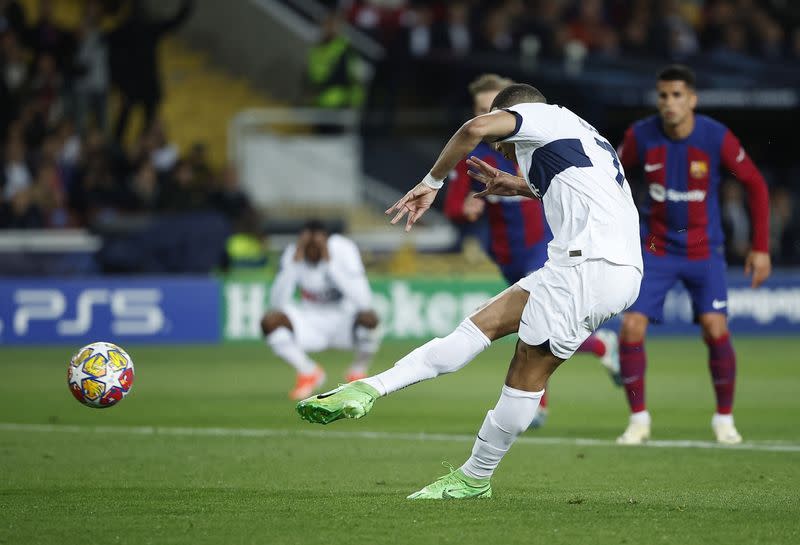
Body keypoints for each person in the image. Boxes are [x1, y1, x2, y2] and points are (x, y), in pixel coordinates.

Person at [296, 83, 643, 499]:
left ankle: (475, 477)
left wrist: (433, 181)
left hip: (590, 268)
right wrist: (516, 186)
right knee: (480, 326)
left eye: (504, 144)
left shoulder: (537, 115)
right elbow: (579, 187)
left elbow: (475, 127)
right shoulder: (584, 133)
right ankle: (370, 387)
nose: (503, 151)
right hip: (593, 265)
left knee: (526, 374)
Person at [444, 73, 621, 429]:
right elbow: (451, 208)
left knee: (535, 323)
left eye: (492, 109)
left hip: (539, 246)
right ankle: (598, 348)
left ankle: (538, 400)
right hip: (503, 252)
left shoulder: (533, 143)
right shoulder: (475, 155)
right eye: (481, 110)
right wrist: (466, 207)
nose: (488, 119)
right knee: (535, 325)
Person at [615, 65, 771, 445]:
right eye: (663, 95)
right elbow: (610, 177)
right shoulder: (640, 135)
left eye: (677, 95)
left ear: (692, 100)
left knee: (715, 329)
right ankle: (638, 420)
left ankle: (724, 419)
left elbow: (755, 184)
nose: (669, 103)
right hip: (656, 249)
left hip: (704, 250)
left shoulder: (715, 136)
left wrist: (761, 247)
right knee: (631, 328)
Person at [261, 220, 381, 400]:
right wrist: (294, 264)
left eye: (317, 244)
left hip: (343, 321)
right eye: (308, 245)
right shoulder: (294, 254)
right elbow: (277, 304)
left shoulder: (343, 249)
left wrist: (330, 264)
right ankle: (308, 372)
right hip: (309, 321)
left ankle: (358, 371)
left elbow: (363, 301)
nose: (313, 249)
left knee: (370, 319)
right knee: (271, 321)